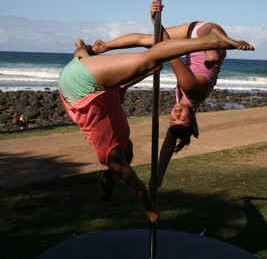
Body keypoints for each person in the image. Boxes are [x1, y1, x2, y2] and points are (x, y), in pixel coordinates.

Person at [58, 29, 253, 218]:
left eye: (131, 154)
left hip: (82, 84)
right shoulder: (119, 133)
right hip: (72, 78)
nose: (131, 148)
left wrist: (150, 209)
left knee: (149, 56)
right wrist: (150, 72)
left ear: (126, 154)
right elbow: (122, 86)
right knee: (143, 57)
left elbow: (134, 184)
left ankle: (212, 42)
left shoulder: (111, 155)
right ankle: (81, 46)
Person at [92, 0, 255, 188]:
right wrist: (156, 22)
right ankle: (218, 47)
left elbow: (169, 144)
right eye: (182, 120)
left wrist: (158, 178)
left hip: (192, 36)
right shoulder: (192, 89)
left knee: (149, 40)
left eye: (173, 121)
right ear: (192, 119)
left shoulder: (184, 101)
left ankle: (104, 46)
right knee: (184, 41)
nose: (176, 116)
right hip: (207, 32)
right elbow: (170, 53)